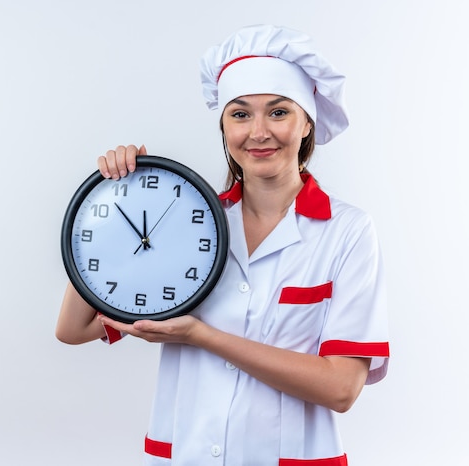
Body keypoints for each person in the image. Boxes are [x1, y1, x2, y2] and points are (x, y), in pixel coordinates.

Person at [56, 24, 389, 465]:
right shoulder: (181, 223)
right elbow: (73, 329)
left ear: (307, 121)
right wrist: (117, 198)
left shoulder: (346, 231)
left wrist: (203, 336)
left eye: (278, 112)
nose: (258, 132)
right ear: (224, 126)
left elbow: (342, 387)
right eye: (240, 114)